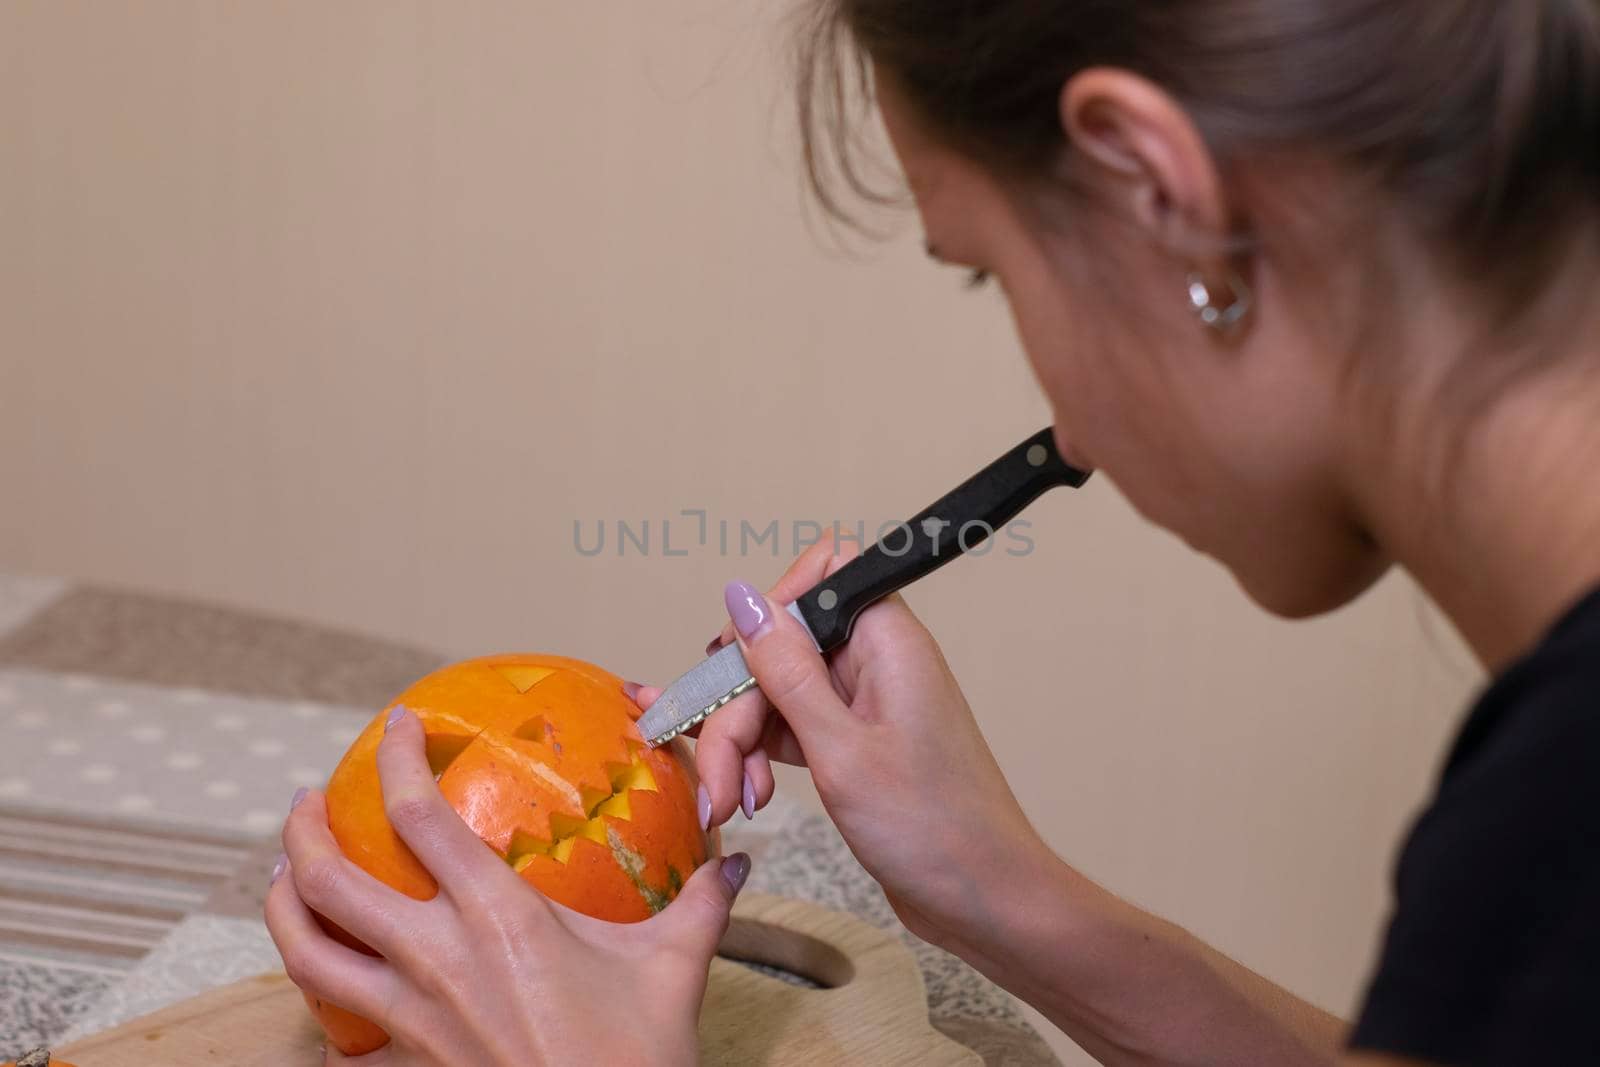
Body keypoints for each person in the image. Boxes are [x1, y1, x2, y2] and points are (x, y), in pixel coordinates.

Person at [265, 2, 1600, 1063]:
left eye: (989, 268)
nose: (1064, 435)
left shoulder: (1558, 812)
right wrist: (995, 889)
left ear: (1159, 193)